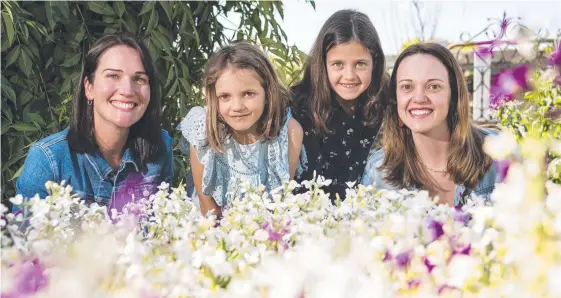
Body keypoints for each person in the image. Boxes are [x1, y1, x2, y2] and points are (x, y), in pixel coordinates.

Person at [16, 33, 173, 211]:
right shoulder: (48, 160)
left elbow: (163, 232)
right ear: (89, 87)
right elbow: (26, 236)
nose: (128, 90)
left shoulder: (160, 149)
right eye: (113, 76)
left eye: (139, 79)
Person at [362, 42, 499, 206]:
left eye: (433, 86)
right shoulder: (378, 172)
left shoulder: (499, 153)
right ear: (395, 98)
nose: (419, 98)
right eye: (407, 86)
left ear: (453, 95)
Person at [178, 41, 305, 217]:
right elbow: (205, 200)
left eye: (248, 94)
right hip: (213, 227)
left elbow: (281, 201)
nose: (237, 106)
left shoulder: (290, 133)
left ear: (267, 93)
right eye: (225, 96)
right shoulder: (203, 130)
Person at [290, 9, 388, 201]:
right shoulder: (299, 106)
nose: (349, 75)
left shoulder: (387, 100)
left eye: (360, 64)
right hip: (310, 213)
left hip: (372, 212)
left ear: (374, 62)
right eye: (338, 64)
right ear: (323, 63)